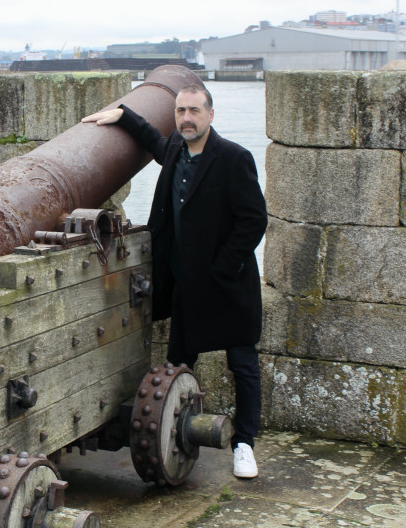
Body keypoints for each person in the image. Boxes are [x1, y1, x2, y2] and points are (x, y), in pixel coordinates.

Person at [82, 81, 267, 478]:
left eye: (194, 111)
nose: (186, 118)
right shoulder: (174, 153)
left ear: (210, 115)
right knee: (178, 364)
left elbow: (254, 221)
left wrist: (222, 269)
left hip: (229, 286)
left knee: (243, 366)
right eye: (180, 111)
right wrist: (123, 115)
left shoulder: (234, 158)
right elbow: (151, 138)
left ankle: (245, 444)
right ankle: (172, 433)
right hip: (187, 288)